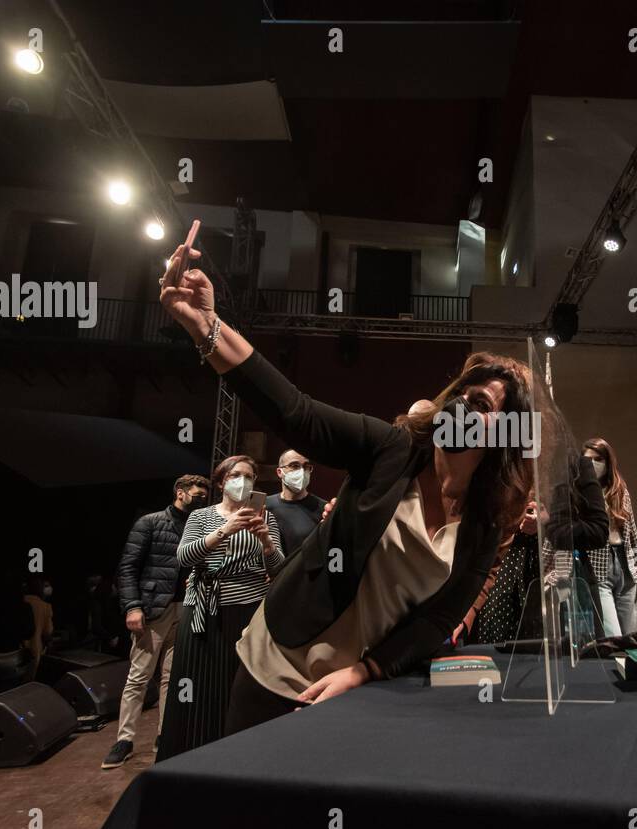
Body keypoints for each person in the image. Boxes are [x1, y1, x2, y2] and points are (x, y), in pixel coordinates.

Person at [156, 246, 534, 735]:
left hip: (363, 684)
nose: (462, 404)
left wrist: (365, 672)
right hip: (282, 660)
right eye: (462, 392)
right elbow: (297, 413)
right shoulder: (392, 449)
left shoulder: (484, 522)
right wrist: (205, 324)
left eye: (480, 403)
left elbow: (437, 621)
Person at [155, 456, 284, 759]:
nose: (244, 481)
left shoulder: (267, 517)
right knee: (199, 687)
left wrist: (265, 541)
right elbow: (183, 558)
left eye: (250, 477)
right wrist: (224, 530)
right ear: (222, 481)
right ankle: (194, 753)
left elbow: (278, 567)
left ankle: (241, 754)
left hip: (250, 609)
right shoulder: (201, 516)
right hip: (204, 609)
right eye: (237, 475)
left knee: (239, 687)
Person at [102, 474, 209, 769]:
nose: (200, 499)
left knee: (171, 678)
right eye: (196, 494)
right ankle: (124, 740)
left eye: (204, 495)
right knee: (138, 676)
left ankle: (165, 735)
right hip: (153, 608)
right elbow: (127, 567)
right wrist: (132, 606)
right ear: (180, 492)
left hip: (186, 608)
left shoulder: (199, 525)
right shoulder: (150, 522)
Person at [473, 454, 608, 644]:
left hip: (559, 572)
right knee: (500, 654)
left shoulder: (573, 465)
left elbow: (598, 531)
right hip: (506, 570)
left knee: (563, 655)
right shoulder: (504, 464)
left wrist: (549, 523)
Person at [581, 438, 637, 636]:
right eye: (587, 460)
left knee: (630, 635)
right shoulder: (580, 494)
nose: (592, 464)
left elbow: (633, 537)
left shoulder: (620, 492)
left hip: (625, 566)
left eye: (598, 459)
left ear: (608, 462)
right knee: (613, 636)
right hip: (598, 567)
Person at [266, 448, 328, 557]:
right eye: (294, 466)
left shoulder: (323, 508)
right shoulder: (265, 505)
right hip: (272, 572)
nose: (302, 471)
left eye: (306, 467)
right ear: (280, 472)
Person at [22, 575, 55, 679]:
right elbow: (47, 633)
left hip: (16, 651)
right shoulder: (45, 606)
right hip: (34, 651)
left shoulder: (19, 601)